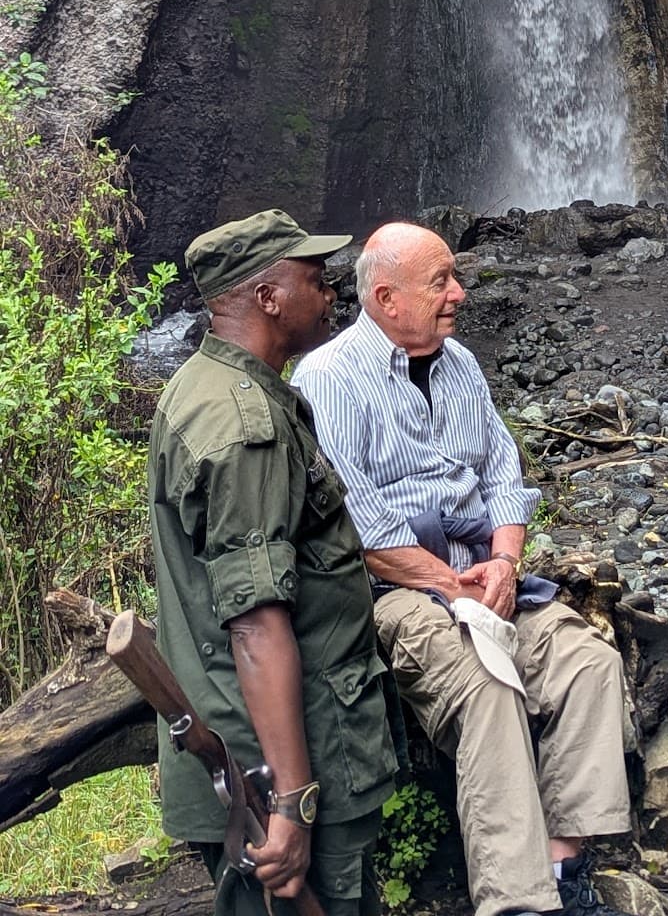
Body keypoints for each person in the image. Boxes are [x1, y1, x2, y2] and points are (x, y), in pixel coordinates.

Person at [292, 222, 631, 916]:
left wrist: (504, 563)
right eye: (441, 281)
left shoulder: (461, 365)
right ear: (386, 298)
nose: (459, 294)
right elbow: (360, 527)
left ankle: (565, 866)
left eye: (454, 278)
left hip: (486, 579)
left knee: (588, 661)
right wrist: (454, 585)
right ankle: (516, 902)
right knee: (487, 687)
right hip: (398, 593)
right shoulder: (327, 379)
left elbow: (505, 477)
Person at [149, 209, 397, 916]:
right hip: (280, 763)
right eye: (314, 281)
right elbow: (255, 623)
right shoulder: (243, 429)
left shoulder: (207, 387)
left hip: (260, 748)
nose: (331, 295)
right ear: (266, 297)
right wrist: (291, 802)